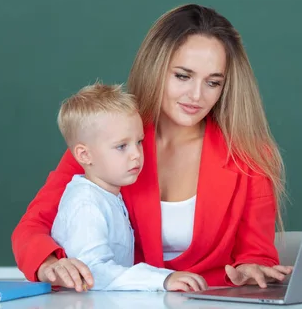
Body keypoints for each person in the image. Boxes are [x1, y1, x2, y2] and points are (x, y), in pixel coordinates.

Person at [12, 4, 293, 292]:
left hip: (211, 300)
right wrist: (50, 263)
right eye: (183, 76)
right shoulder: (106, 143)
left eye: (213, 82)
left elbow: (256, 252)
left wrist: (252, 267)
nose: (196, 95)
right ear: (156, 68)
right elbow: (32, 228)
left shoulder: (249, 154)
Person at [50, 82, 207, 292]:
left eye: (139, 142)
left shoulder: (108, 196)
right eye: (121, 146)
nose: (136, 154)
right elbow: (92, 271)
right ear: (84, 155)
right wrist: (163, 279)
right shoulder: (86, 204)